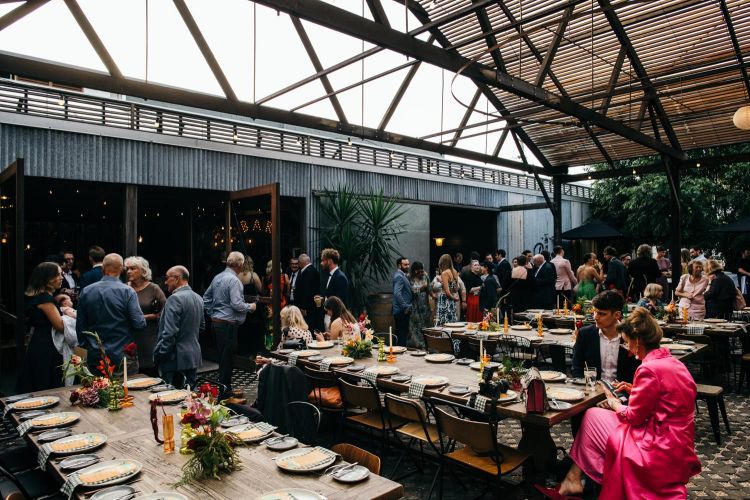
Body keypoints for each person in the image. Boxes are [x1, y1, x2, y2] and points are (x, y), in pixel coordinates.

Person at [554, 308, 701, 498]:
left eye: (626, 342)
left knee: (592, 416)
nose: (626, 347)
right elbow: (669, 397)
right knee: (595, 417)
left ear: (637, 341)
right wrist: (635, 390)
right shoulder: (673, 362)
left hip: (657, 441)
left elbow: (633, 417)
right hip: (680, 439)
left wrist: (613, 402)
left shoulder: (648, 369)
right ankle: (576, 478)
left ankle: (582, 478)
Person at [77, 253, 146, 374]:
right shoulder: (128, 291)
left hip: (96, 355)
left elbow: (80, 327)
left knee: (98, 390)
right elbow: (139, 324)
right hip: (123, 356)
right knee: (127, 392)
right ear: (122, 269)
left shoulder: (86, 291)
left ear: (103, 268)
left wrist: (88, 347)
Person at [203, 251, 258, 397]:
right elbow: (237, 304)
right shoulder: (234, 281)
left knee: (223, 358)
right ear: (240, 265)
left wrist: (212, 314)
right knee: (227, 359)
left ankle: (224, 389)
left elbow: (206, 298)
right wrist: (251, 307)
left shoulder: (218, 277)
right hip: (227, 324)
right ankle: (225, 393)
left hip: (217, 323)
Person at [17, 262, 65, 392]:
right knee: (45, 380)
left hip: (41, 340)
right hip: (46, 344)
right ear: (49, 278)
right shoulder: (45, 299)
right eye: (59, 274)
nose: (62, 277)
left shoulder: (41, 296)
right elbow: (60, 325)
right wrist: (70, 317)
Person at [571, 290, 640, 383]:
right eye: (595, 311)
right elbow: (576, 368)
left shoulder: (631, 336)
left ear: (617, 315)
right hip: (593, 390)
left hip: (623, 393)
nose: (595, 317)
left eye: (602, 313)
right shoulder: (585, 334)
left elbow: (637, 372)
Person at [153, 266, 204, 389]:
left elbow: (170, 332)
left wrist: (162, 354)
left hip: (174, 358)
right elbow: (202, 327)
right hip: (193, 355)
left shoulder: (174, 299)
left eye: (167, 278)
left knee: (171, 400)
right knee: (189, 399)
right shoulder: (198, 298)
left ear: (176, 279)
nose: (165, 282)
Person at [125, 256, 166, 375]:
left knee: (149, 371)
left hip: (148, 335)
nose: (129, 271)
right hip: (129, 335)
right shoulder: (125, 288)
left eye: (133, 268)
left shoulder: (154, 288)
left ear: (143, 271)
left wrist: (145, 317)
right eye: (127, 268)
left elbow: (165, 312)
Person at [295, 253, 323, 333]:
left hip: (308, 308)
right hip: (309, 307)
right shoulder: (310, 270)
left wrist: (303, 308)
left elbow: (307, 291)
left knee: (309, 327)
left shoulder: (308, 272)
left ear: (300, 263)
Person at [408, 261, 430, 348]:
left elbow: (429, 288)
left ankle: (427, 344)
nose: (422, 273)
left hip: (424, 304)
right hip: (415, 304)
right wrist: (421, 288)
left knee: (426, 324)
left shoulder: (425, 275)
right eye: (419, 271)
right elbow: (411, 290)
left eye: (422, 271)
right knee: (416, 325)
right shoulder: (409, 278)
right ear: (415, 271)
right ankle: (418, 344)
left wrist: (433, 295)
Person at [392, 257, 413, 347]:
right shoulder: (399, 276)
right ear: (399, 265)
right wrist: (405, 306)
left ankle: (399, 353)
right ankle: (400, 355)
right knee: (401, 335)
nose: (408, 266)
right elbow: (397, 293)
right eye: (405, 265)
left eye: (408, 264)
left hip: (402, 310)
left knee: (401, 334)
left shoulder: (402, 275)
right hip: (401, 311)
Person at [436, 253, 460, 324]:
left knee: (444, 322)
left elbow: (447, 292)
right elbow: (455, 289)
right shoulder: (454, 271)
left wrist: (453, 298)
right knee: (451, 321)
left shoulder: (444, 273)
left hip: (445, 300)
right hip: (451, 301)